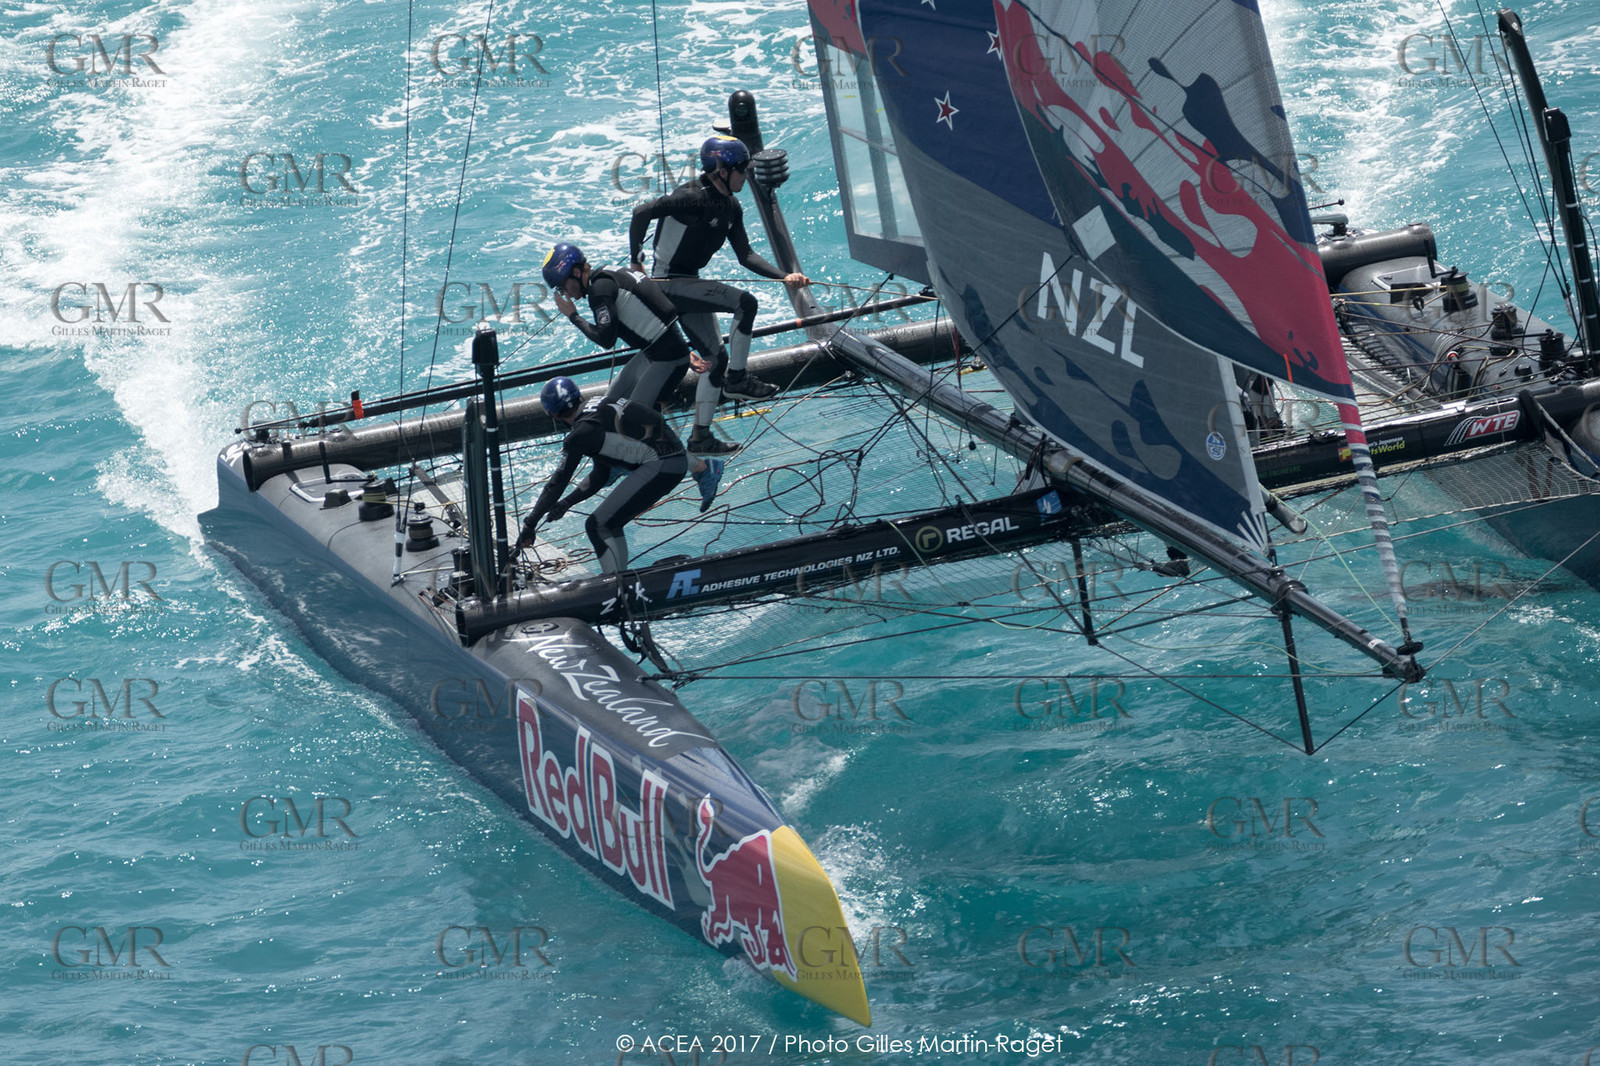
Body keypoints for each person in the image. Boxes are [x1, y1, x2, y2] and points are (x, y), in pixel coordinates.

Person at [628, 134, 809, 449]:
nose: (747, 174)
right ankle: (738, 380)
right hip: (667, 284)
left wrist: (785, 276)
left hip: (689, 283)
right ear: (722, 169)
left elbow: (746, 256)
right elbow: (641, 212)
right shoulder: (692, 197)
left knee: (714, 359)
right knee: (745, 303)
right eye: (742, 169)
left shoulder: (731, 206)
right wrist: (635, 261)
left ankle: (700, 436)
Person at [514, 376, 724, 575]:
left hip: (662, 464)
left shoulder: (580, 435)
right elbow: (601, 474)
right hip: (673, 458)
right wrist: (567, 502)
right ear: (578, 396)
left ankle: (616, 588)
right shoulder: (598, 405)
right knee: (610, 523)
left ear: (553, 415)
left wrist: (530, 524)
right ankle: (621, 578)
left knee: (597, 525)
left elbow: (556, 483)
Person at [542, 242, 734, 444]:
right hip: (655, 353)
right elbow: (656, 310)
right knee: (606, 407)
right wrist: (683, 347)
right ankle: (616, 465)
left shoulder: (600, 291)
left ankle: (689, 461)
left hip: (667, 359)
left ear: (576, 272)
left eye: (563, 286)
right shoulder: (609, 273)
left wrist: (573, 316)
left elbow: (605, 340)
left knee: (630, 420)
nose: (566, 293)